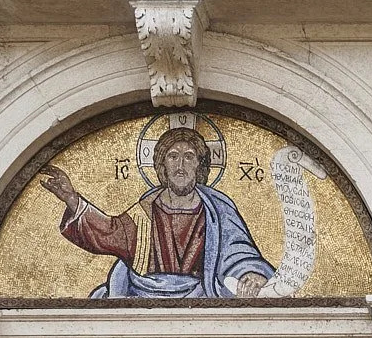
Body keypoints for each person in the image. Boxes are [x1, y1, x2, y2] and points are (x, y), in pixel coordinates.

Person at [41, 127, 273, 299]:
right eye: (172, 156)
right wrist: (72, 198)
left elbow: (238, 252)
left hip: (202, 300)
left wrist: (251, 274)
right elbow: (108, 232)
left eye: (189, 157)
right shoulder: (145, 212)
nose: (180, 165)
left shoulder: (217, 209)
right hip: (142, 297)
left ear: (200, 166)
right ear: (162, 165)